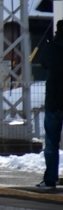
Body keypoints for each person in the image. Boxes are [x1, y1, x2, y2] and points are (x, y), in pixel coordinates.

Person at [39, 21, 63, 189]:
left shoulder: (51, 47)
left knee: (52, 142)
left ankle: (50, 179)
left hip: (54, 101)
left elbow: (44, 64)